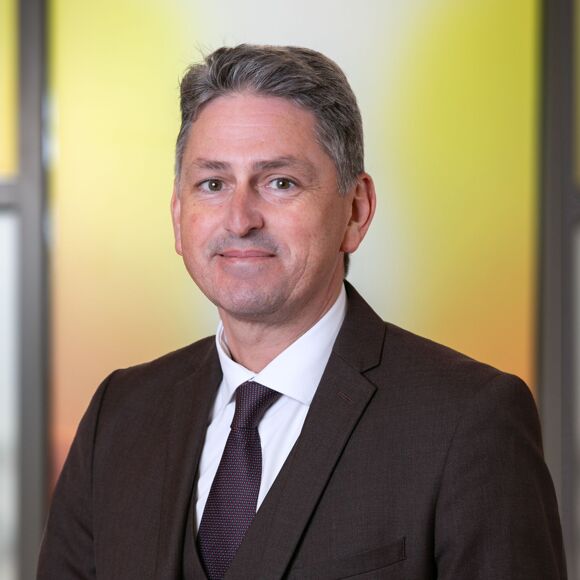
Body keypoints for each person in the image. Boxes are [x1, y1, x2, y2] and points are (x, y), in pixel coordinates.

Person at [37, 44, 566, 579]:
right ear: (179, 216)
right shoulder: (119, 416)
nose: (240, 219)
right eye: (213, 184)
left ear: (355, 211)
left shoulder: (468, 419)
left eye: (280, 182)